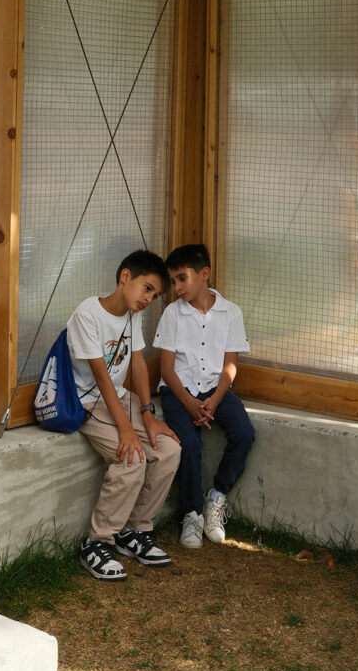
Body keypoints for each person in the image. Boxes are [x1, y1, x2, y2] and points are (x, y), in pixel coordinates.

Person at [69, 249, 181, 581]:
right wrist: (126, 429)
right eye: (147, 288)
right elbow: (102, 377)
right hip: (88, 402)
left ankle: (133, 531)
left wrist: (148, 415)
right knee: (131, 458)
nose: (149, 298)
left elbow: (137, 363)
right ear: (125, 277)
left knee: (169, 450)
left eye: (155, 294)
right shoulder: (87, 314)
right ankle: (96, 542)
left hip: (120, 398)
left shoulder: (132, 315)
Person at [154, 243, 254, 549]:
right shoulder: (173, 314)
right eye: (173, 281)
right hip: (178, 390)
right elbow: (167, 369)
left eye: (182, 278)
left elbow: (230, 366)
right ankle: (192, 513)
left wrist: (213, 399)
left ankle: (216, 498)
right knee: (189, 443)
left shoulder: (230, 312)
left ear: (204, 274)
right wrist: (189, 403)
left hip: (216, 389)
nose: (177, 287)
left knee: (244, 432)